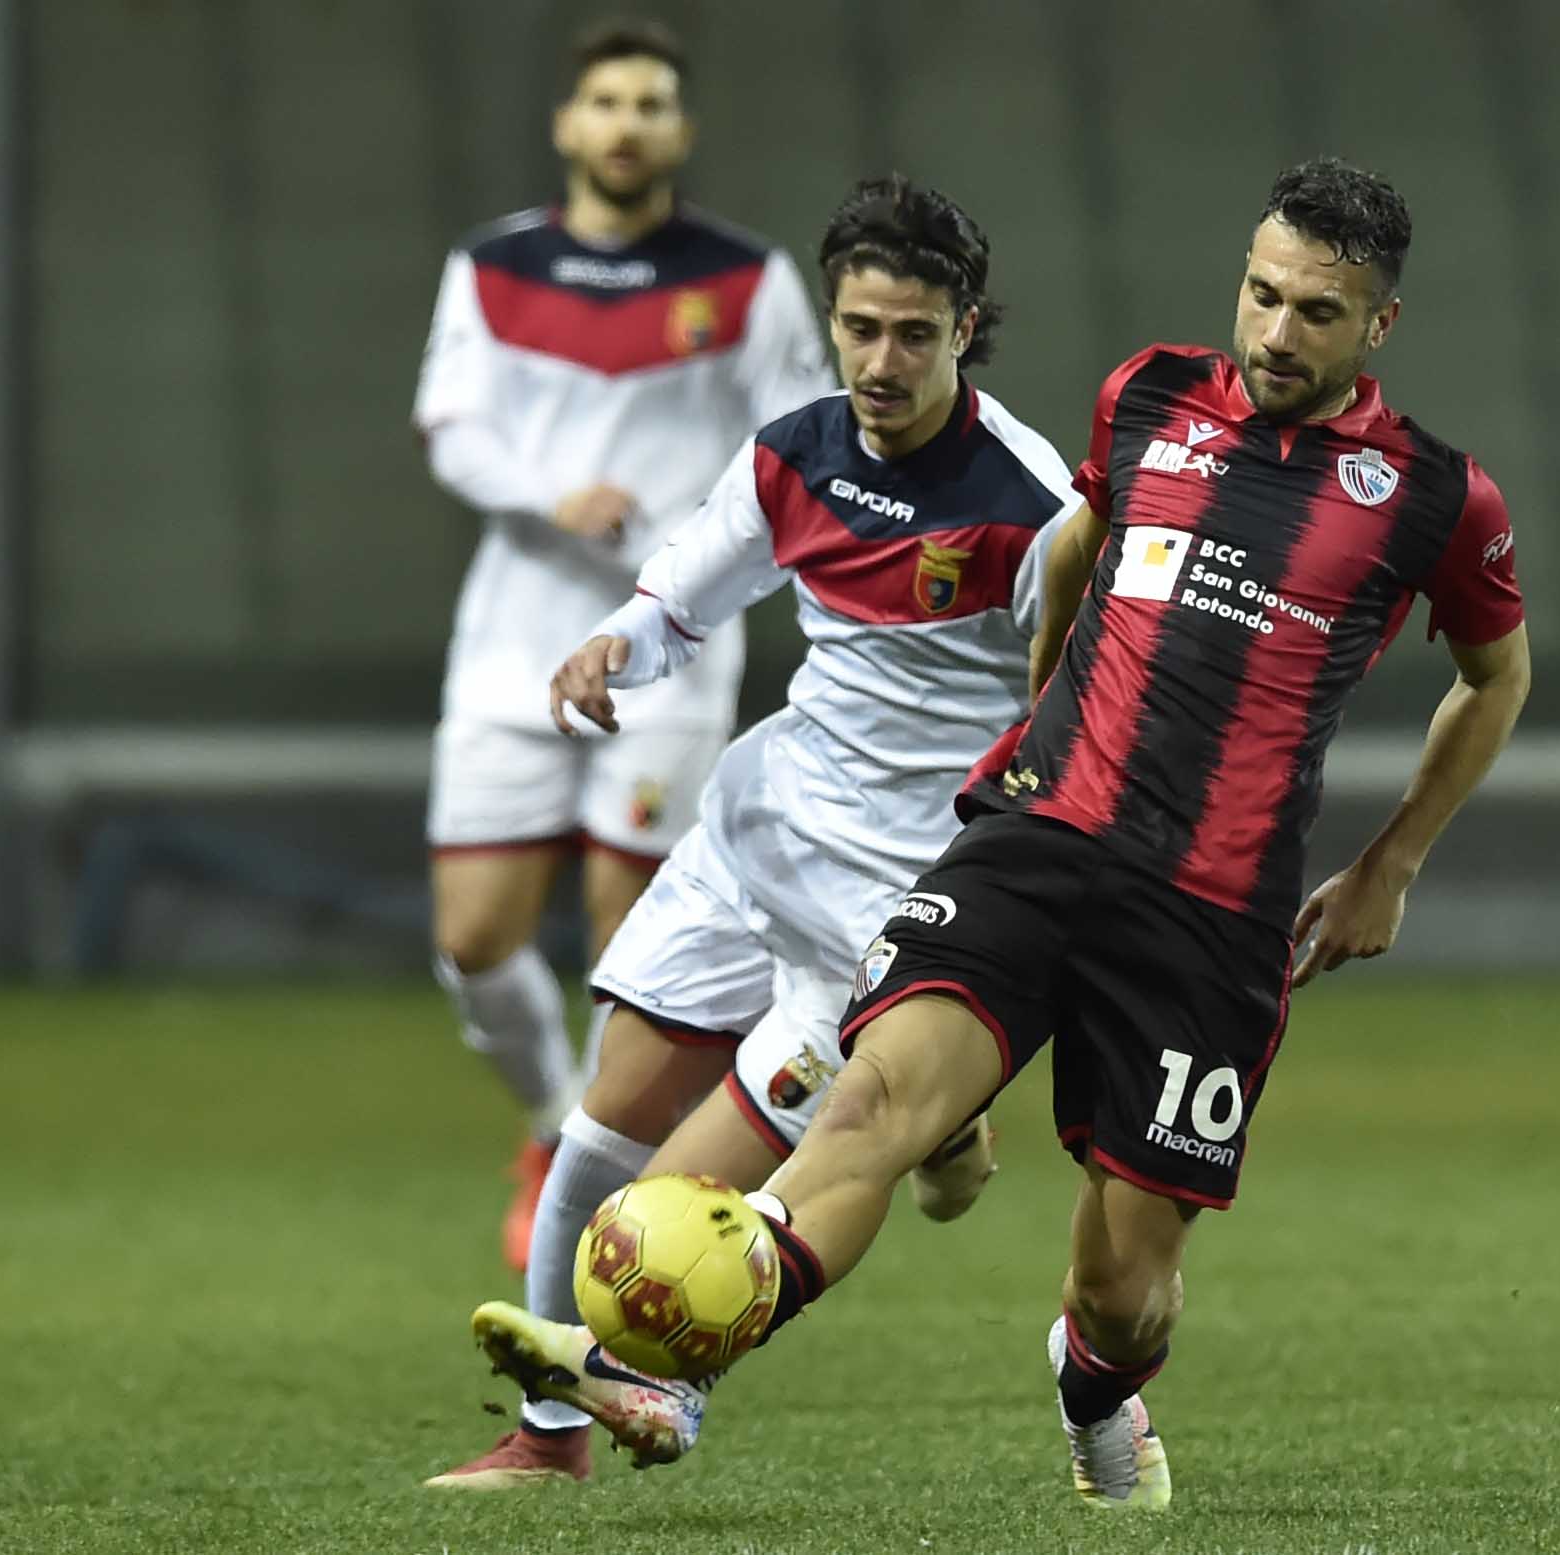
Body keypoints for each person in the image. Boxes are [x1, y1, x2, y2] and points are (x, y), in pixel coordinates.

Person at [468, 158, 1532, 1512]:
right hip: (1038, 839)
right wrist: (1041, 722)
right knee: (868, 1104)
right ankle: (674, 1368)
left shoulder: (1435, 495)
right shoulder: (1149, 397)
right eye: (1261, 294)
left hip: (1207, 911)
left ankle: (1094, 1382)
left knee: (1123, 1287)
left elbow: (1495, 677)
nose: (1275, 332)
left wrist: (1393, 861)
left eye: (1316, 312)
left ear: (1378, 323)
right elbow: (1079, 550)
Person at [425, 176, 1076, 1490]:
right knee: (600, 1124)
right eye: (858, 328)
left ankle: (661, 1379)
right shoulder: (793, 452)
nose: (879, 361)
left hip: (893, 899)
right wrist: (615, 645)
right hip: (760, 830)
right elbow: (682, 597)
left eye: (913, 334)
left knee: (675, 1207)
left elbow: (1081, 714)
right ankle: (547, 1439)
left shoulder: (1033, 508)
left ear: (965, 329)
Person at [411, 17, 830, 1269]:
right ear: (568, 124)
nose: (627, 123)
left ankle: (605, 1172)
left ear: (680, 132)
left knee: (628, 936)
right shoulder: (493, 266)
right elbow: (450, 424)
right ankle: (552, 1120)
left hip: (667, 646)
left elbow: (799, 442)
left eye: (651, 104)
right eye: (607, 101)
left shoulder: (745, 279)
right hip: (511, 642)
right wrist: (554, 498)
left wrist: (705, 555)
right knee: (472, 938)